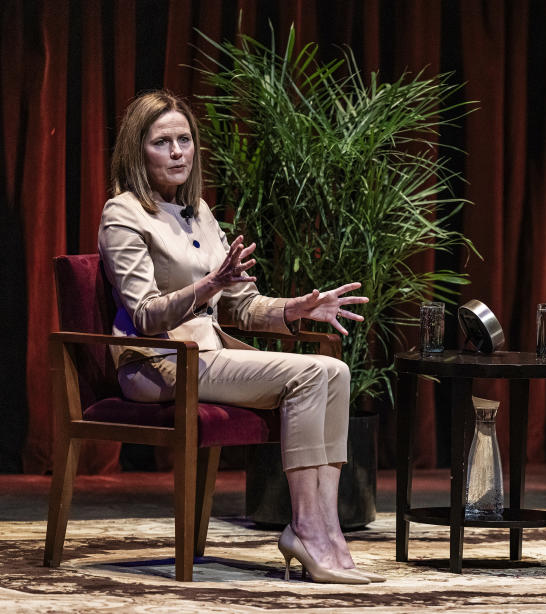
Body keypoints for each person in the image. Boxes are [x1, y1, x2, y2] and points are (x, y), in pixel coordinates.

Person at [98, 90, 383, 585]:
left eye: (184, 139)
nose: (177, 151)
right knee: (311, 375)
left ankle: (326, 528)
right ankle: (309, 529)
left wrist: (299, 308)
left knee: (335, 371)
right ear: (137, 150)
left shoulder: (199, 212)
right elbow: (144, 315)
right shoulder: (122, 214)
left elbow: (242, 305)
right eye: (162, 141)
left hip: (206, 355)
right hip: (159, 361)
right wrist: (208, 283)